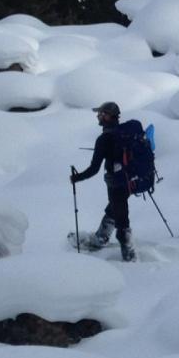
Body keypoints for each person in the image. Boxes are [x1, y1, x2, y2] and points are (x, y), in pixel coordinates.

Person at [70, 101, 137, 261]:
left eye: (100, 114)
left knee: (122, 219)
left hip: (116, 182)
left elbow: (94, 169)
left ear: (108, 116)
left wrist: (76, 178)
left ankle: (129, 256)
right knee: (115, 208)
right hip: (131, 179)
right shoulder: (125, 132)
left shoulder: (104, 139)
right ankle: (101, 237)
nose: (98, 116)